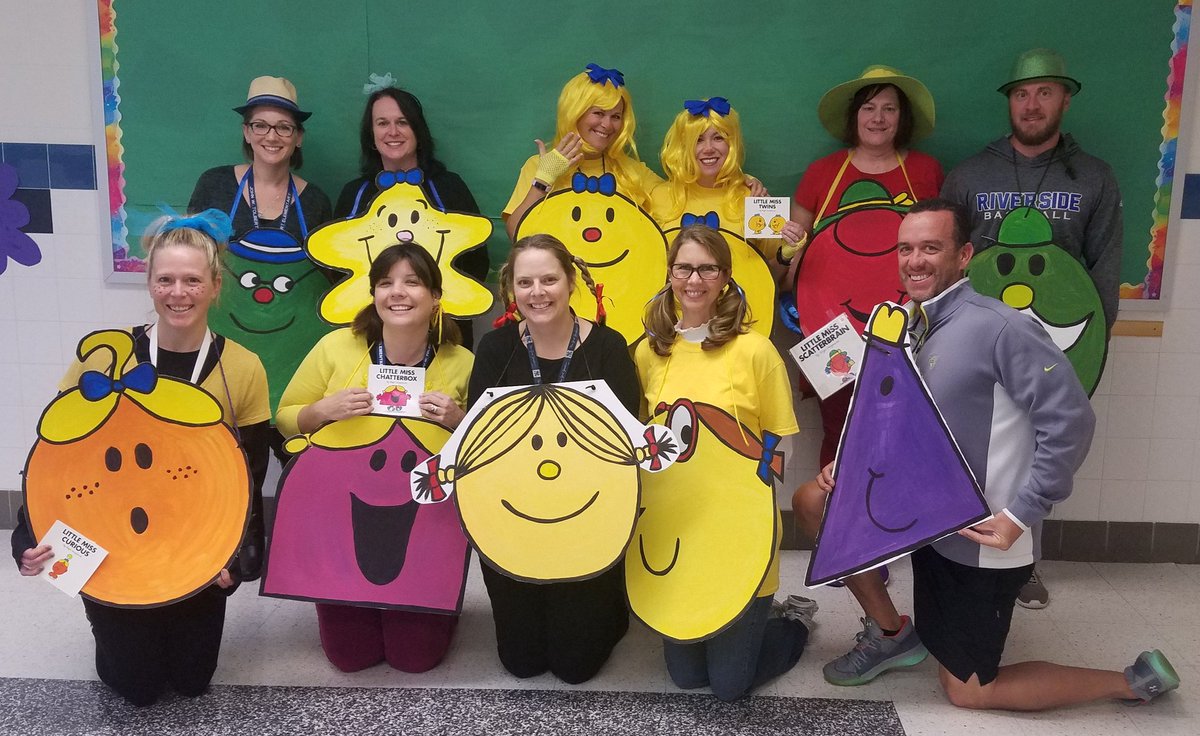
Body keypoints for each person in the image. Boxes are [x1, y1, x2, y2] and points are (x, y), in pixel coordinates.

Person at [814, 198, 1178, 710]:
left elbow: (1070, 420)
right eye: (906, 249)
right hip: (935, 529)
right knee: (827, 507)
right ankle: (901, 638)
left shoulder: (1001, 326)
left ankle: (1132, 681)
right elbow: (910, 421)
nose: (915, 260)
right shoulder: (913, 326)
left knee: (968, 692)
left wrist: (1020, 515)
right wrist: (853, 459)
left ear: (964, 256)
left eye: (930, 248)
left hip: (986, 537)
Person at [12, 210, 271, 706]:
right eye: (166, 279)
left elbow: (250, 471)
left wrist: (236, 557)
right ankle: (114, 629)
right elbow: (59, 458)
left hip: (195, 543)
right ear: (149, 283)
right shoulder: (105, 359)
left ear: (215, 286)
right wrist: (30, 534)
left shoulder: (243, 366)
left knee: (193, 680)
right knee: (139, 688)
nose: (179, 293)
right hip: (108, 542)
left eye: (193, 280)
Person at [941, 48, 1123, 609]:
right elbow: (947, 261)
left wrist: (1089, 352)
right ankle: (952, 550)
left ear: (1065, 98)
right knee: (976, 449)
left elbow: (1104, 271)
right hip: (976, 341)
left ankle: (1023, 563)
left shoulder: (1093, 177)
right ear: (1009, 102)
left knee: (1040, 446)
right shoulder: (971, 174)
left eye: (1045, 92)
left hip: (1054, 346)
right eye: (1022, 93)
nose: (1032, 103)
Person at [275, 242, 471, 673]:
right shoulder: (336, 348)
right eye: (385, 283)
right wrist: (322, 411)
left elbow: (486, 446)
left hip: (425, 519)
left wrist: (458, 419)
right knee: (350, 657)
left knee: (415, 659)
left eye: (412, 282)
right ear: (373, 294)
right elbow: (286, 420)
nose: (397, 292)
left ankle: (437, 609)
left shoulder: (461, 361)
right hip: (343, 516)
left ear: (436, 296)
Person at [635, 225, 808, 701]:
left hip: (737, 528)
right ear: (669, 274)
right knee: (687, 677)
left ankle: (791, 624)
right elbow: (638, 440)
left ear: (726, 278)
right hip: (677, 524)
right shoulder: (650, 351)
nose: (695, 279)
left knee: (729, 687)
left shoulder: (754, 350)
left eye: (707, 268)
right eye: (684, 267)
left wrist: (742, 501)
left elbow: (780, 445)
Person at [467, 233, 638, 683]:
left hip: (586, 513)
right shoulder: (495, 349)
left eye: (549, 279)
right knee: (520, 664)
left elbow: (624, 445)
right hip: (514, 513)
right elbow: (478, 438)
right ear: (511, 289)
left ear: (571, 282)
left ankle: (610, 609)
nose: (537, 292)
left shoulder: (609, 347)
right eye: (525, 282)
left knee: (573, 667)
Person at [188, 76, 333, 571]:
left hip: (295, 357)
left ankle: (303, 549)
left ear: (298, 138)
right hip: (230, 350)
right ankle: (241, 546)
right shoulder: (215, 184)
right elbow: (193, 260)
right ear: (247, 132)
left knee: (301, 457)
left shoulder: (315, 201)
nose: (272, 136)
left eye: (284, 127)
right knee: (232, 456)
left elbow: (327, 284)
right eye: (261, 125)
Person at [789, 65, 943, 470]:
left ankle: (901, 528)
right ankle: (836, 528)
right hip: (832, 332)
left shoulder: (927, 172)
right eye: (869, 107)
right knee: (839, 436)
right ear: (854, 115)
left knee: (908, 432)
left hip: (911, 330)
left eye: (889, 109)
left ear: (901, 118)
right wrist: (794, 300)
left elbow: (943, 251)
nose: (878, 118)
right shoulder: (822, 173)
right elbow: (791, 256)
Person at [334, 78, 488, 347]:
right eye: (382, 123)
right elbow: (337, 267)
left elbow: (476, 260)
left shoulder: (449, 187)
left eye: (402, 122)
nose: (392, 131)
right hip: (372, 333)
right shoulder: (354, 194)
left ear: (418, 132)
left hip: (444, 328)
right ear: (371, 136)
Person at [502, 63, 662, 240]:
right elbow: (515, 233)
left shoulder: (634, 172)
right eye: (598, 113)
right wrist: (543, 181)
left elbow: (679, 202)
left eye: (616, 116)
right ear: (575, 113)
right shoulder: (540, 165)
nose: (607, 125)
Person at [651, 97, 804, 268]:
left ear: (732, 143)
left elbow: (770, 278)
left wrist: (787, 252)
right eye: (698, 140)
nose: (708, 148)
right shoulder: (658, 196)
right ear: (684, 146)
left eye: (718, 138)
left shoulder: (753, 197)